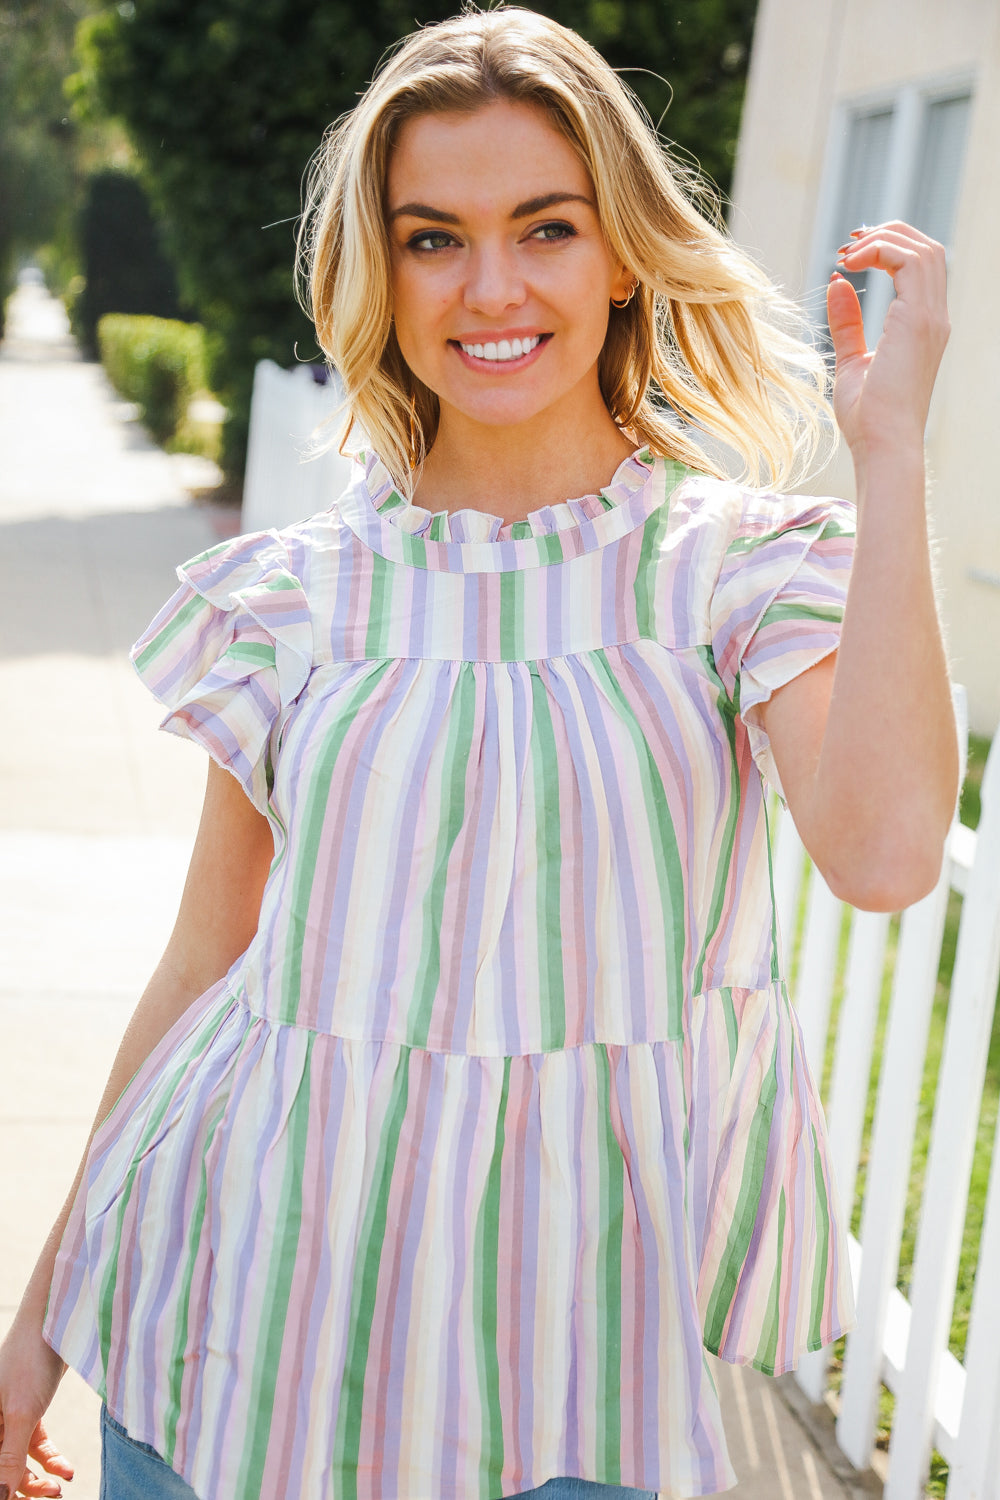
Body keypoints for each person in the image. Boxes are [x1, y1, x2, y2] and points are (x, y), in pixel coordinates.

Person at [0, 7, 957, 1499]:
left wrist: (892, 455)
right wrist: (35, 1331)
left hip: (581, 1375)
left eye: (546, 228)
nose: (490, 287)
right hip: (232, 1340)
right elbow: (202, 965)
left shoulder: (728, 574)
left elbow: (888, 857)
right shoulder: (296, 597)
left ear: (623, 252)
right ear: (381, 274)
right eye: (434, 239)